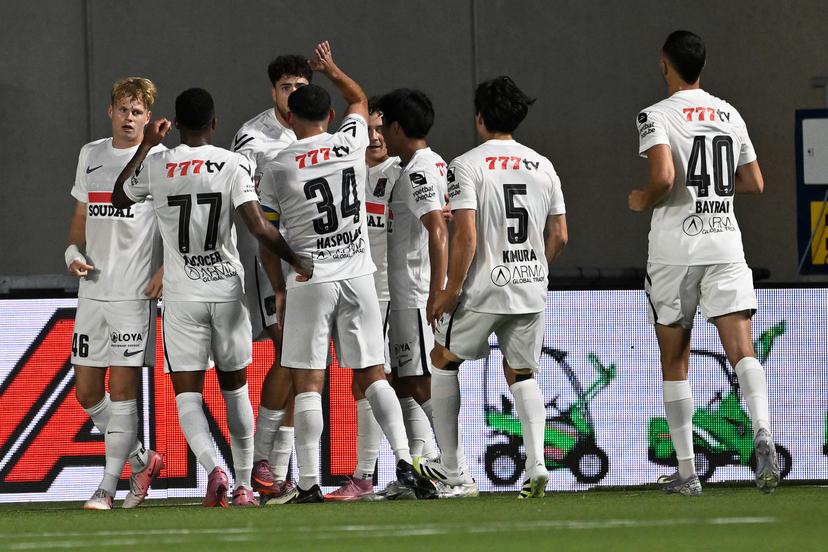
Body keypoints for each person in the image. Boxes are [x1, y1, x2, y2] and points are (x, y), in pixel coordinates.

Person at [112, 87, 311, 507]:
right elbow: (258, 227)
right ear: (215, 123)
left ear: (177, 124)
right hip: (225, 292)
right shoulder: (233, 163)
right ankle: (242, 486)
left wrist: (147, 144)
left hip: (183, 295)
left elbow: (119, 196)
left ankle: (212, 467)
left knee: (188, 397)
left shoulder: (158, 163)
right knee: (235, 391)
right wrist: (295, 259)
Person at [258, 41, 434, 503]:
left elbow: (265, 231)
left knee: (309, 382)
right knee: (375, 374)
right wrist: (331, 67)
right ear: (331, 117)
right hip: (358, 275)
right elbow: (359, 97)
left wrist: (281, 280)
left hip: (310, 278)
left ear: (291, 120)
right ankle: (406, 461)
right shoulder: (350, 144)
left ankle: (310, 482)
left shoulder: (277, 164)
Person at [628, 30, 778, 496]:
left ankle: (689, 472)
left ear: (664, 64)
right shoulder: (729, 113)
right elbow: (754, 181)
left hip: (675, 252)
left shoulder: (654, 116)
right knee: (742, 350)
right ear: (703, 66)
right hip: (725, 245)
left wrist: (643, 199)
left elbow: (665, 175)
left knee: (675, 361)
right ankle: (763, 432)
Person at [418, 76, 567, 499]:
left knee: (443, 360)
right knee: (522, 374)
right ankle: (537, 463)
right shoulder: (543, 165)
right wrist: (536, 269)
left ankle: (450, 469)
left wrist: (449, 288)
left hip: (483, 289)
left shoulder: (466, 165)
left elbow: (465, 236)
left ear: (480, 117)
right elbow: (560, 234)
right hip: (529, 288)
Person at [67, 77, 165, 510]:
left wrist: (165, 269)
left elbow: (174, 221)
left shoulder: (158, 159)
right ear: (110, 111)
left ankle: (106, 488)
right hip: (92, 290)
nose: (129, 118)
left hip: (132, 293)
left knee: (123, 389)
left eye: (138, 112)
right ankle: (142, 459)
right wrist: (72, 251)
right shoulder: (91, 154)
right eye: (123, 110)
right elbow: (81, 214)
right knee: (87, 392)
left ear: (147, 117)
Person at [377, 88, 473, 493]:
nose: (381, 133)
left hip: (415, 293)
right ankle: (421, 470)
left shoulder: (418, 170)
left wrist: (438, 291)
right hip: (404, 294)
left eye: (384, 127)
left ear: (398, 127)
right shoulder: (423, 164)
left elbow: (438, 228)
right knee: (402, 382)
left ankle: (458, 468)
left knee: (419, 383)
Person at [232, 54, 312, 504]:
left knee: (303, 359)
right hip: (271, 258)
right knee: (286, 348)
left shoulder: (318, 129)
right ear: (273, 91)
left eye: (300, 84)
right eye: (285, 86)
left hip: (316, 258)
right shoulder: (253, 135)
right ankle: (258, 465)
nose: (293, 93)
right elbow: (237, 192)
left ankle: (275, 475)